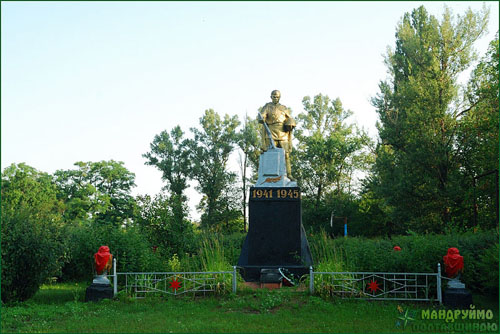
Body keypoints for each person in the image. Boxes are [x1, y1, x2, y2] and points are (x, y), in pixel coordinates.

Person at [258, 90, 296, 179]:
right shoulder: (267, 106)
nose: (276, 98)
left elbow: (290, 119)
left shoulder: (284, 108)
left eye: (278, 97)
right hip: (271, 132)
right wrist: (262, 117)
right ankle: (267, 176)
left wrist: (291, 124)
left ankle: (289, 174)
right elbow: (262, 116)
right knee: (269, 153)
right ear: (271, 97)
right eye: (274, 96)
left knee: (286, 155)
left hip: (283, 133)